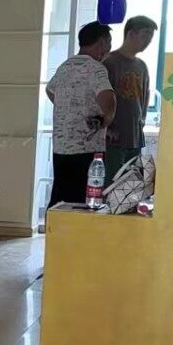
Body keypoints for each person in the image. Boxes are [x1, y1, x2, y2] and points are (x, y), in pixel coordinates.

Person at [45, 21, 116, 206]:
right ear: (102, 42)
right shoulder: (96, 68)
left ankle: (55, 226)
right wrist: (106, 120)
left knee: (61, 198)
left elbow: (50, 90)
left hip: (61, 146)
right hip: (87, 148)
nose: (108, 50)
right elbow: (107, 98)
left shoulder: (65, 67)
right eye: (109, 44)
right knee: (82, 201)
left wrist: (69, 109)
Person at [103, 15, 157, 181]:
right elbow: (99, 98)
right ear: (131, 33)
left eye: (151, 36)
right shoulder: (109, 62)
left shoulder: (142, 66)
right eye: (145, 34)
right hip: (113, 138)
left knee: (131, 185)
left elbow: (145, 94)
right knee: (111, 183)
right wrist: (106, 127)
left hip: (135, 136)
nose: (148, 40)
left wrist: (142, 119)